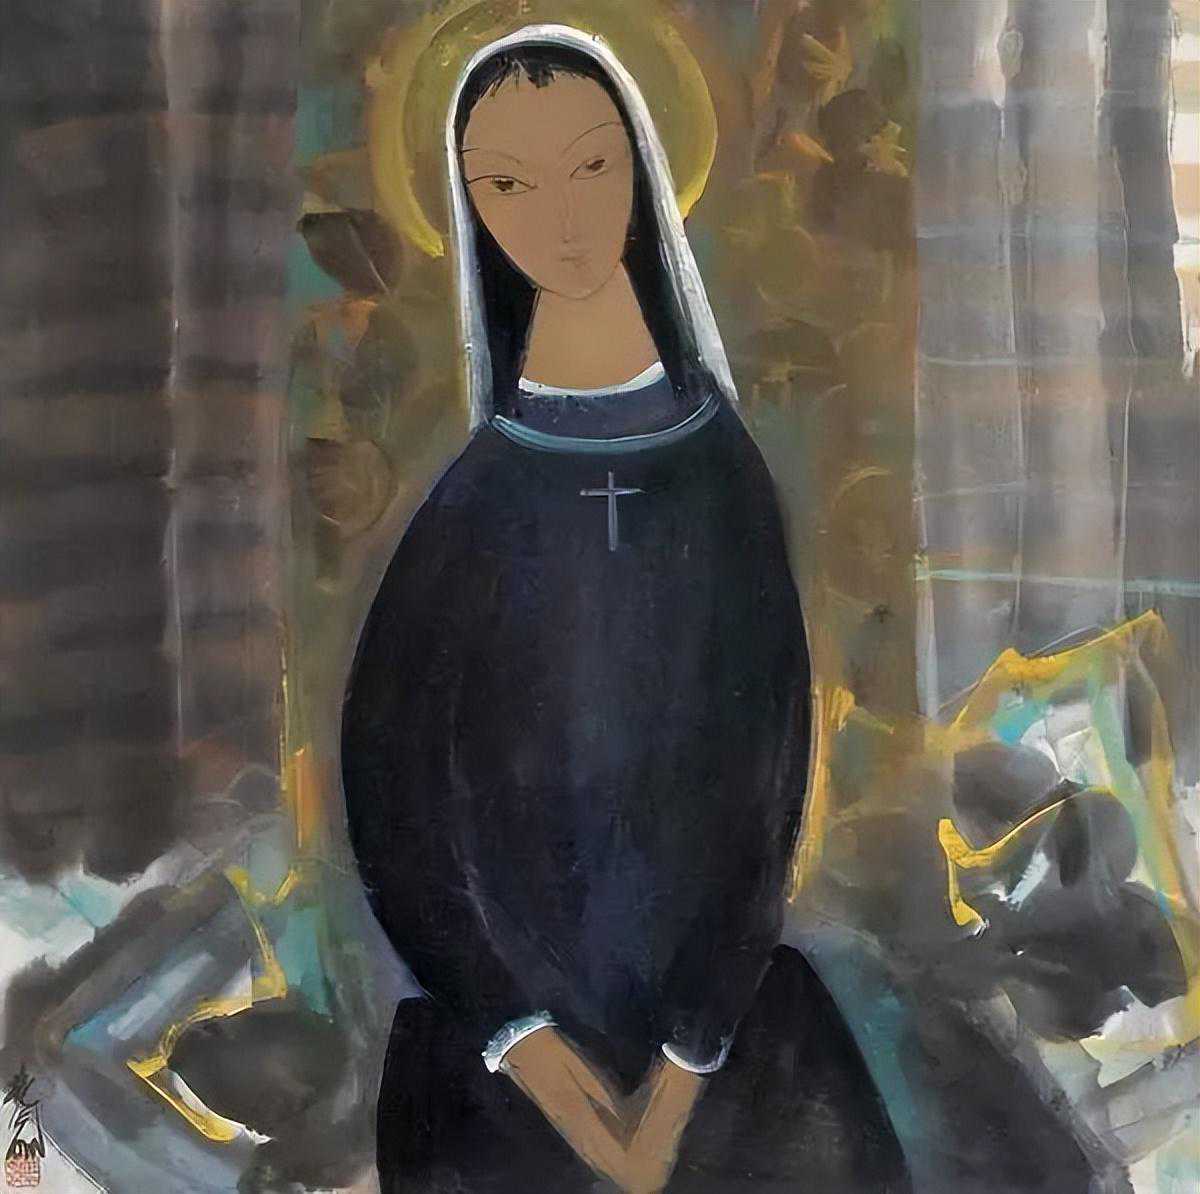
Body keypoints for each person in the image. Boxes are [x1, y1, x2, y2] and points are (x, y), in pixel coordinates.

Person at [342, 24, 909, 1193]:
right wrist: (528, 1047)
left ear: (646, 173)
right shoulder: (471, 508)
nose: (561, 218)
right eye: (509, 185)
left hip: (717, 1027)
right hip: (501, 1043)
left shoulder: (725, 484)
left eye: (592, 166)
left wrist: (678, 1082)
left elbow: (762, 792)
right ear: (469, 210)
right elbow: (395, 801)